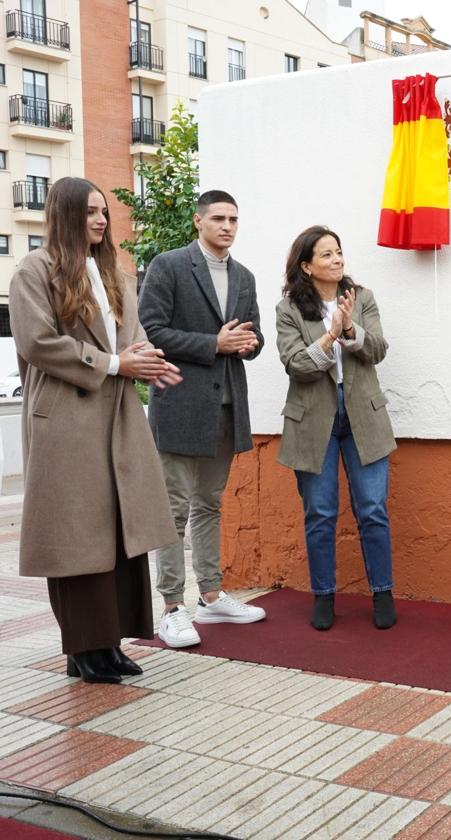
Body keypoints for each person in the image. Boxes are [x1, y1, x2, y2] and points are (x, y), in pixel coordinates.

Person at [9, 177, 181, 682]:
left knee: (117, 531)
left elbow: (136, 338)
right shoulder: (33, 271)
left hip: (118, 416)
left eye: (103, 211)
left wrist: (152, 362)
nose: (101, 220)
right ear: (63, 215)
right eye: (88, 212)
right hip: (66, 419)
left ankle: (108, 642)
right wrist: (111, 364)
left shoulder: (116, 275)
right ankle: (83, 648)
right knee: (76, 536)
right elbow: (37, 341)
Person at [139, 190, 267, 648]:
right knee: (173, 511)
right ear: (198, 221)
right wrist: (214, 343)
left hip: (227, 406)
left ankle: (211, 596)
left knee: (211, 504)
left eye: (234, 218)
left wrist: (249, 344)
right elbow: (151, 331)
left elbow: (253, 336)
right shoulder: (168, 265)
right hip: (179, 405)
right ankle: (173, 607)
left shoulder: (245, 276)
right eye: (218, 218)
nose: (228, 226)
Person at [276, 226, 397, 631]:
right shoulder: (289, 308)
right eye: (326, 255)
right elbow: (296, 365)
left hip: (363, 415)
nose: (337, 260)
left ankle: (382, 592)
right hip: (314, 421)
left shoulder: (361, 298)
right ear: (307, 266)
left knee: (373, 510)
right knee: (320, 513)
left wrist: (350, 329)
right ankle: (324, 596)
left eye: (339, 252)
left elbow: (378, 350)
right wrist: (330, 336)